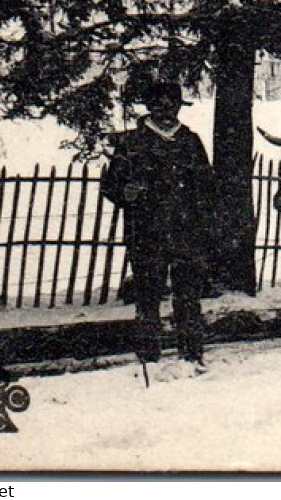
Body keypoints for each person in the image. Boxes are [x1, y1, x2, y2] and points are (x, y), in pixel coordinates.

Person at [101, 78, 215, 366]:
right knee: (148, 297)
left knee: (188, 297)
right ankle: (148, 357)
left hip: (186, 233)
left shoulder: (190, 141)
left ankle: (191, 354)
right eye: (159, 106)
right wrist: (124, 192)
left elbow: (207, 185)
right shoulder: (131, 144)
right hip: (146, 233)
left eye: (172, 105)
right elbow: (110, 186)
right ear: (149, 107)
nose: (166, 111)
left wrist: (201, 217)